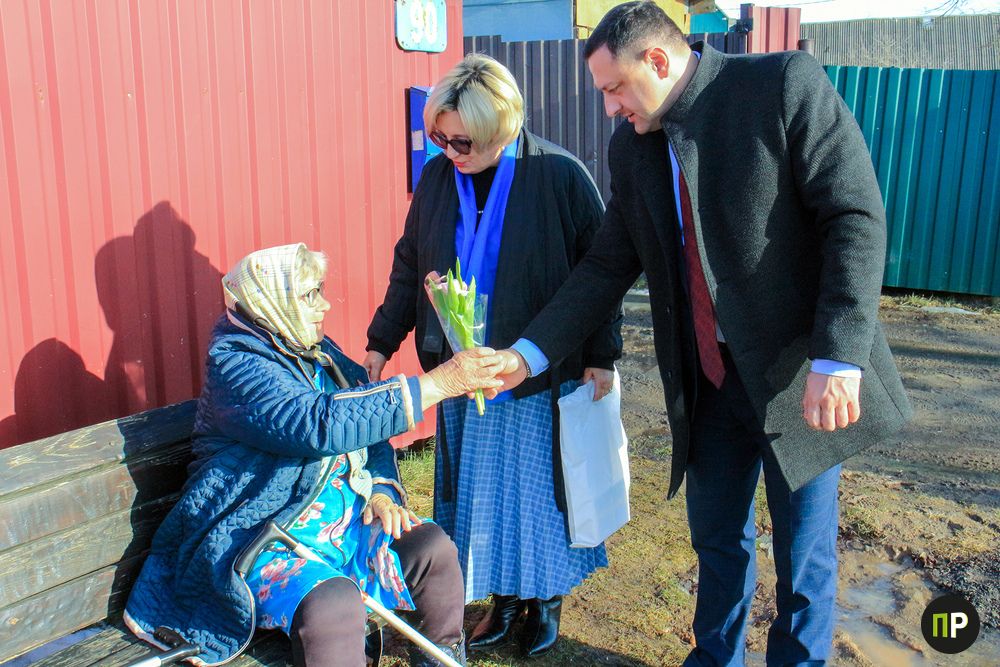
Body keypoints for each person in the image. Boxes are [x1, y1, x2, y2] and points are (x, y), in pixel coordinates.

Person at [493, 3, 912, 665]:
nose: (609, 107)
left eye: (614, 88)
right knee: (717, 543)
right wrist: (528, 352)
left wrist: (839, 355)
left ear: (658, 61)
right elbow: (605, 265)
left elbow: (853, 216)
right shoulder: (632, 148)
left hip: (799, 378)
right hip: (707, 387)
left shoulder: (781, 86)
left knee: (803, 558)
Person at [124, 243, 507, 667]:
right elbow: (317, 423)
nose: (324, 305)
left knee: (432, 550)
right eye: (310, 295)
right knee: (333, 602)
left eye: (320, 290)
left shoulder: (317, 353)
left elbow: (369, 430)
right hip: (258, 539)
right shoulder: (235, 364)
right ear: (271, 302)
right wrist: (440, 383)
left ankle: (442, 658)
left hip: (340, 528)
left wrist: (382, 491)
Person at [364, 54, 622, 657]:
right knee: (482, 496)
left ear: (501, 128)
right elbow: (410, 262)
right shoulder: (438, 178)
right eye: (440, 138)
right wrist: (381, 339)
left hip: (535, 370)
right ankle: (503, 600)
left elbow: (601, 273)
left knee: (536, 497)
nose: (450, 152)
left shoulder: (558, 174)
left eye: (463, 142)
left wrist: (602, 353)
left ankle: (546, 599)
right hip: (461, 373)